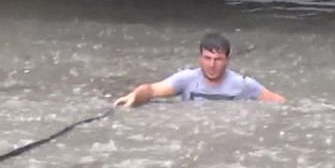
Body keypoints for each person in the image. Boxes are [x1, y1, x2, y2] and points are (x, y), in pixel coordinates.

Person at [114, 32, 286, 107]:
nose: (212, 65)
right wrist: (134, 97)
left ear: (227, 60)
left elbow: (280, 103)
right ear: (200, 58)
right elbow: (150, 90)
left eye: (218, 59)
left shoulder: (244, 85)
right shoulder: (186, 79)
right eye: (207, 58)